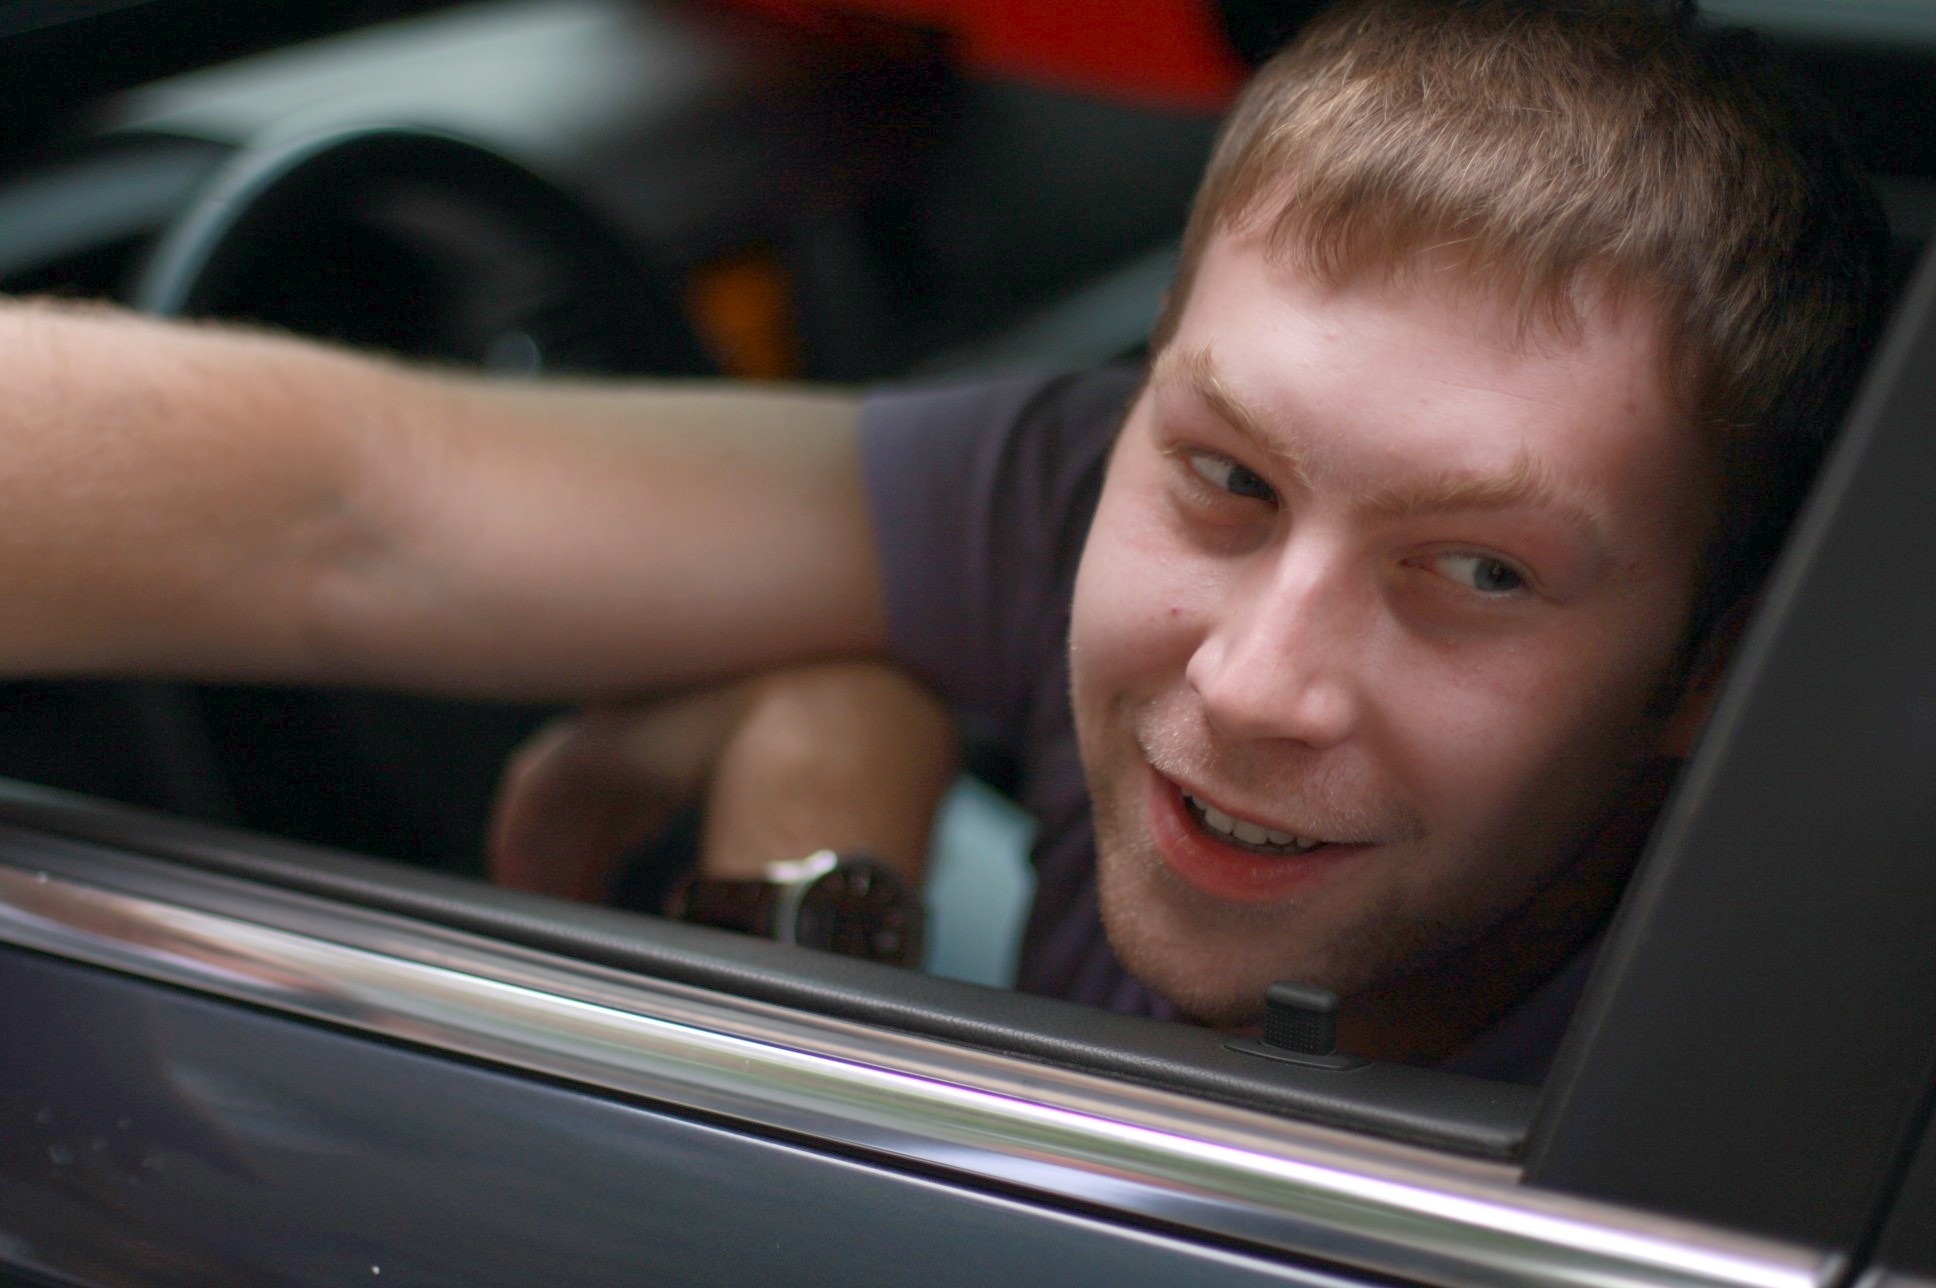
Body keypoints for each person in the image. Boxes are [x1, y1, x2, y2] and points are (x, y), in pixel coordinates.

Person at [0, 0, 1888, 1079]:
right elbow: (360, 504)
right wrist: (838, 735)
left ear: (1713, 667)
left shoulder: (1795, 1091)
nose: (1253, 683)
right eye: (1226, 479)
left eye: (1480, 575)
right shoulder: (1073, 490)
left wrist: (814, 771)